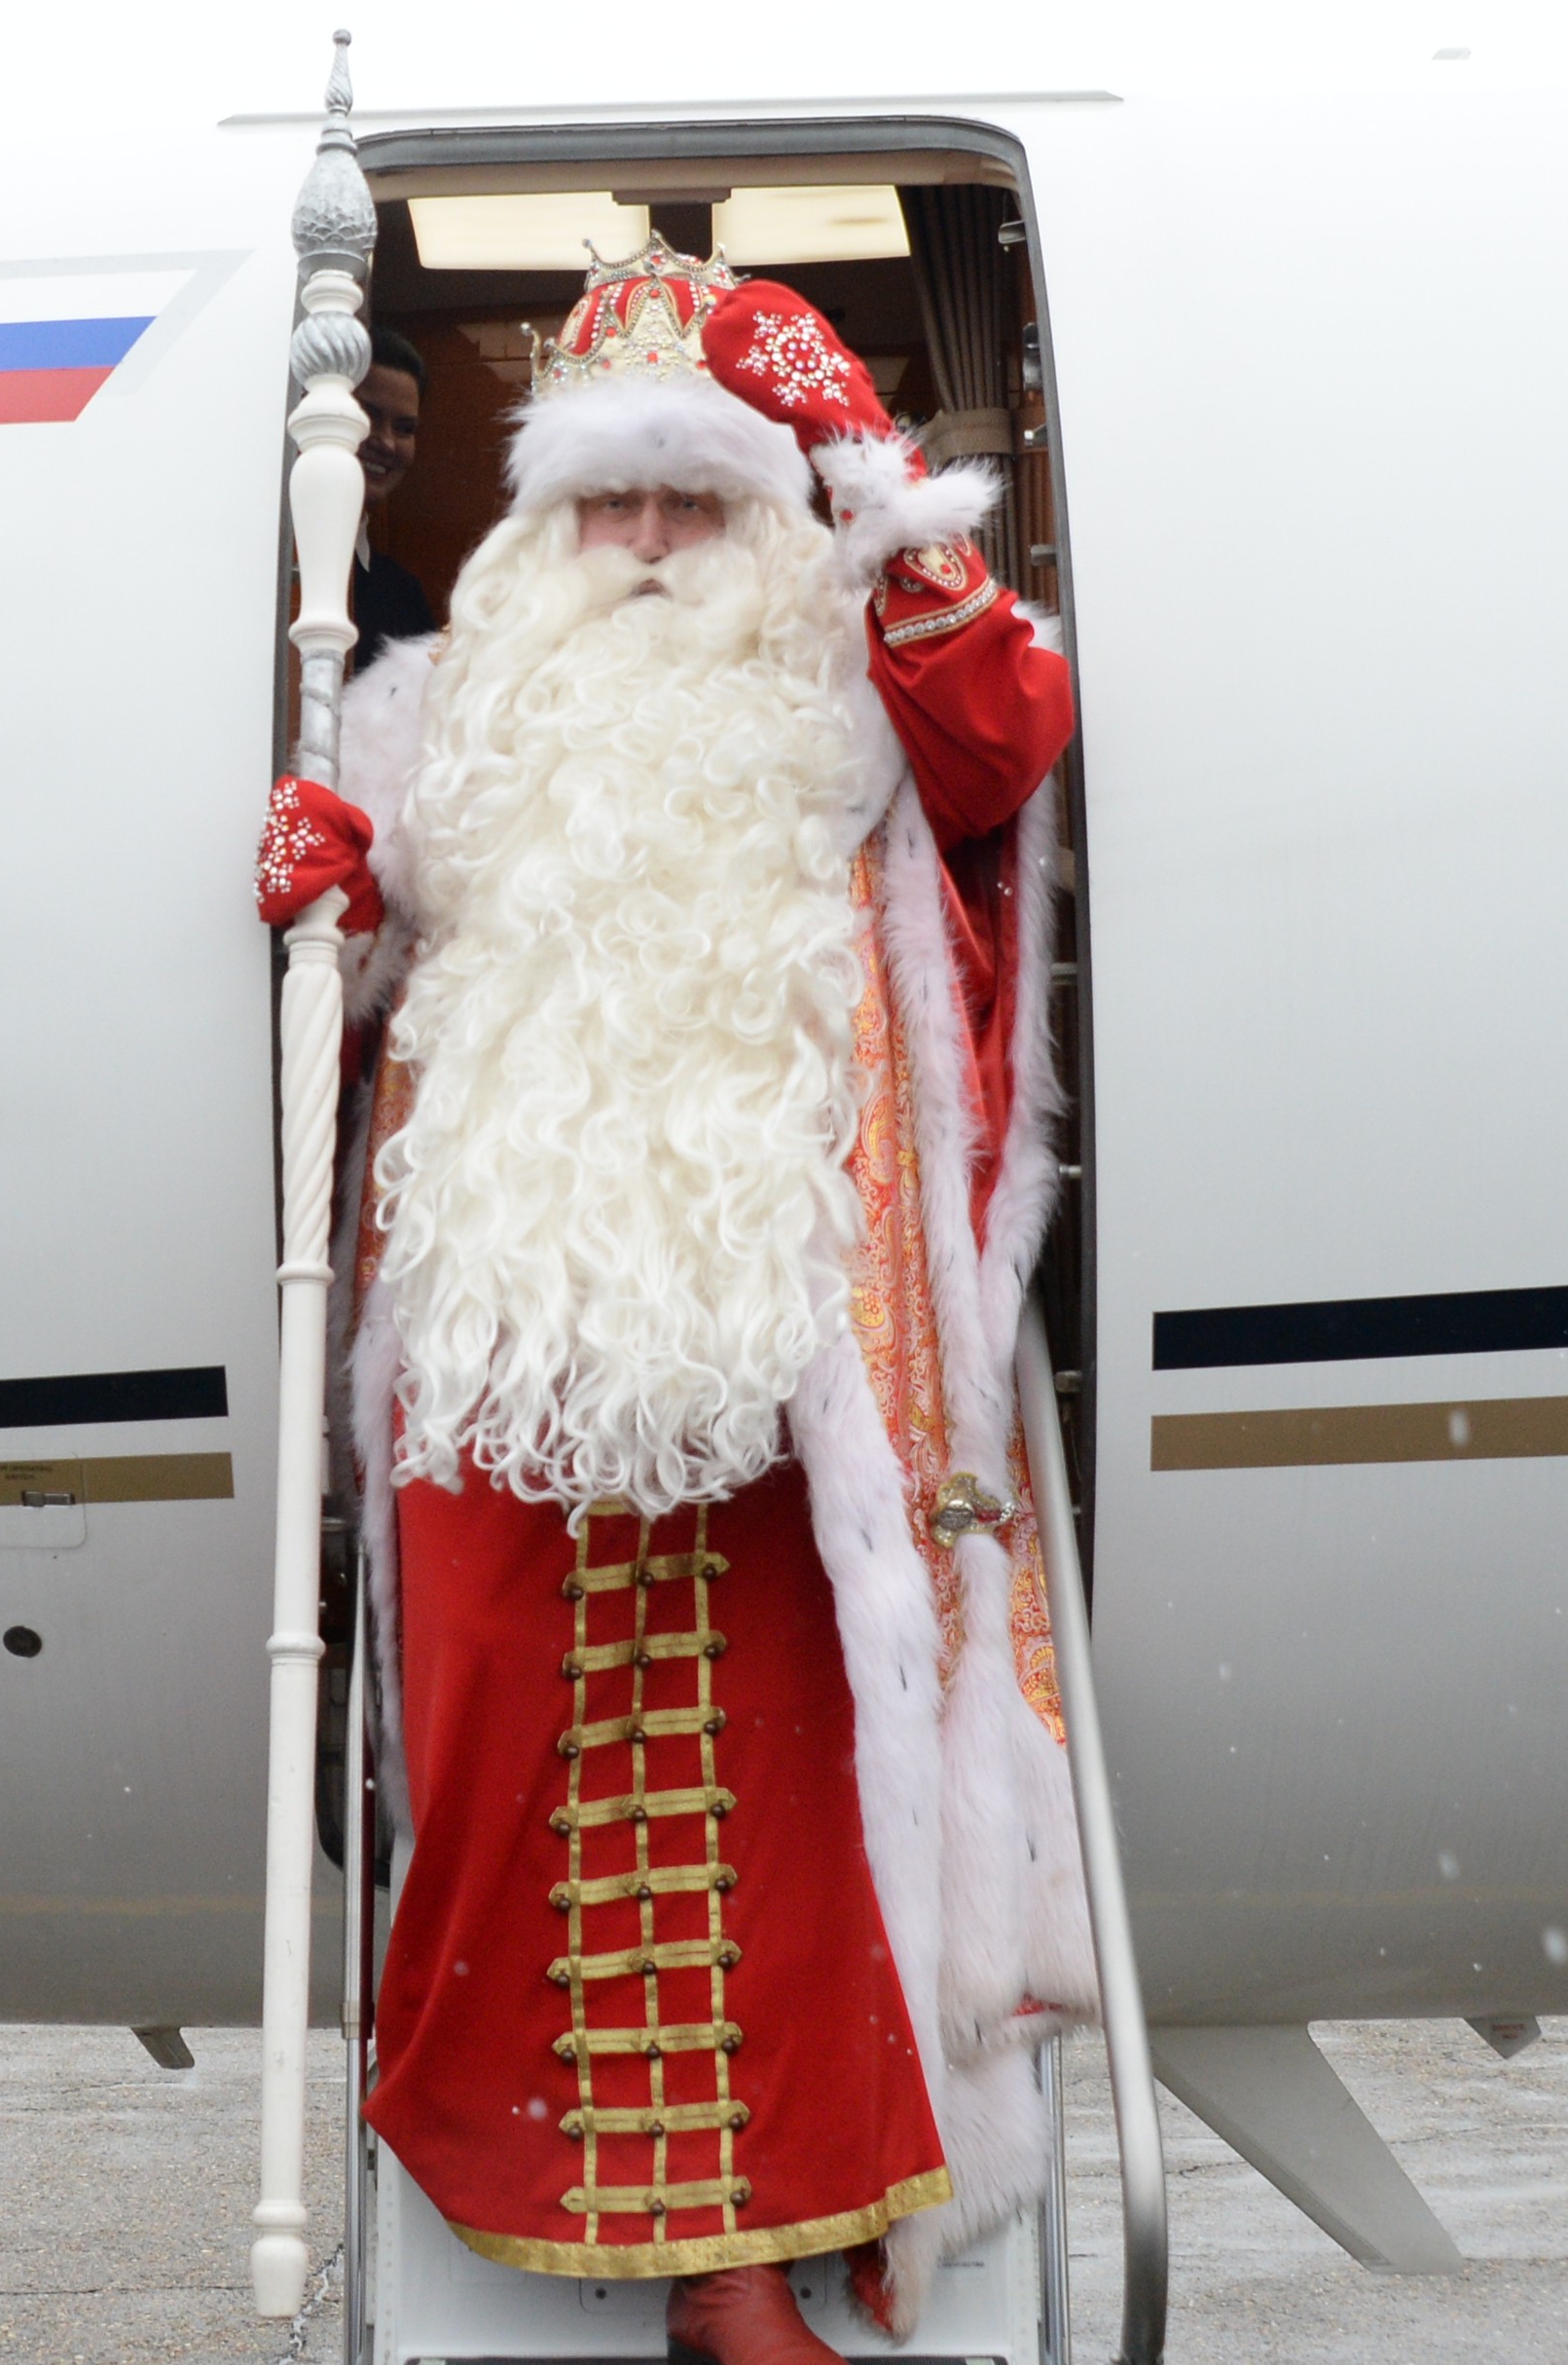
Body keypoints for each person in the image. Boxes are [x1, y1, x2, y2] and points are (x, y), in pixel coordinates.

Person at [256, 239, 1085, 2363]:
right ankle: (630, 2236)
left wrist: (863, 462)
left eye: (689, 501)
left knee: (780, 1833)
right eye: (600, 505)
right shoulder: (431, 709)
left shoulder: (841, 689)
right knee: (522, 1819)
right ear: (534, 529)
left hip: (765, 1357)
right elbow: (362, 993)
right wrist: (325, 903)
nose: (638, 545)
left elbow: (1005, 735)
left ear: (760, 524)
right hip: (501, 1368)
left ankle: (750, 2267)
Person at [349, 325, 439, 670]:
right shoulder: (276, 569)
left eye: (404, 429)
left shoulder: (403, 594)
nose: (386, 443)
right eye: (368, 416)